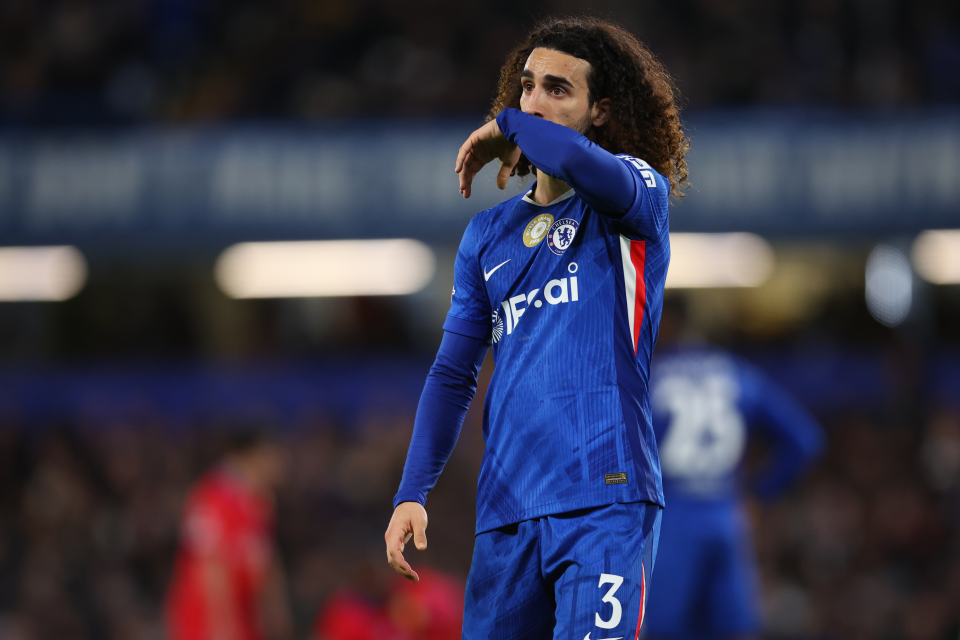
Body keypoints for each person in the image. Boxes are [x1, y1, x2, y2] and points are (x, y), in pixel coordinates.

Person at [384, 16, 689, 640]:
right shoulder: (486, 236)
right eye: (525, 88)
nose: (534, 102)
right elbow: (451, 375)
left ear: (599, 111)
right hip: (507, 513)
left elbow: (579, 162)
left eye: (557, 89)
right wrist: (412, 491)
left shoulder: (634, 196)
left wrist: (507, 126)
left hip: (606, 499)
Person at [643, 298, 825, 640]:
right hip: (726, 519)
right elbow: (805, 440)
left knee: (664, 629)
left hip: (670, 523)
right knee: (735, 630)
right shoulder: (738, 373)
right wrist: (759, 493)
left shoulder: (646, 377)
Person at [165, 427, 293, 640]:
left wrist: (275, 612)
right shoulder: (212, 497)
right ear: (254, 454)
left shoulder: (260, 501)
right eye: (275, 452)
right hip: (207, 625)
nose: (281, 460)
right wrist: (223, 628)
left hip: (246, 618)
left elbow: (266, 560)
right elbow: (210, 569)